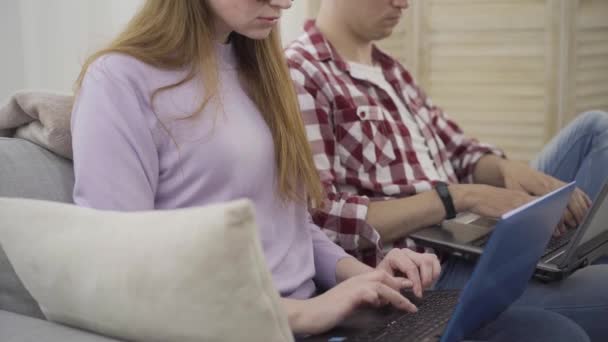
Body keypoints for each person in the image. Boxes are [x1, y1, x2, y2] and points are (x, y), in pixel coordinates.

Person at [70, 0, 590, 340]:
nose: (287, 2)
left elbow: (294, 226)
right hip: (270, 326)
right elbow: (120, 278)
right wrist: (302, 314)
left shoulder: (258, 71)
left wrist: (363, 275)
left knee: (552, 330)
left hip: (330, 313)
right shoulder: (120, 80)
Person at [286, 0, 608, 340]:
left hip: (464, 232)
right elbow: (320, 219)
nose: (403, 3)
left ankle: (563, 255)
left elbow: (459, 151)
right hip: (429, 270)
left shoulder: (391, 69)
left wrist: (506, 169)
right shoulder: (300, 73)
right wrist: (460, 197)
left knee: (595, 130)